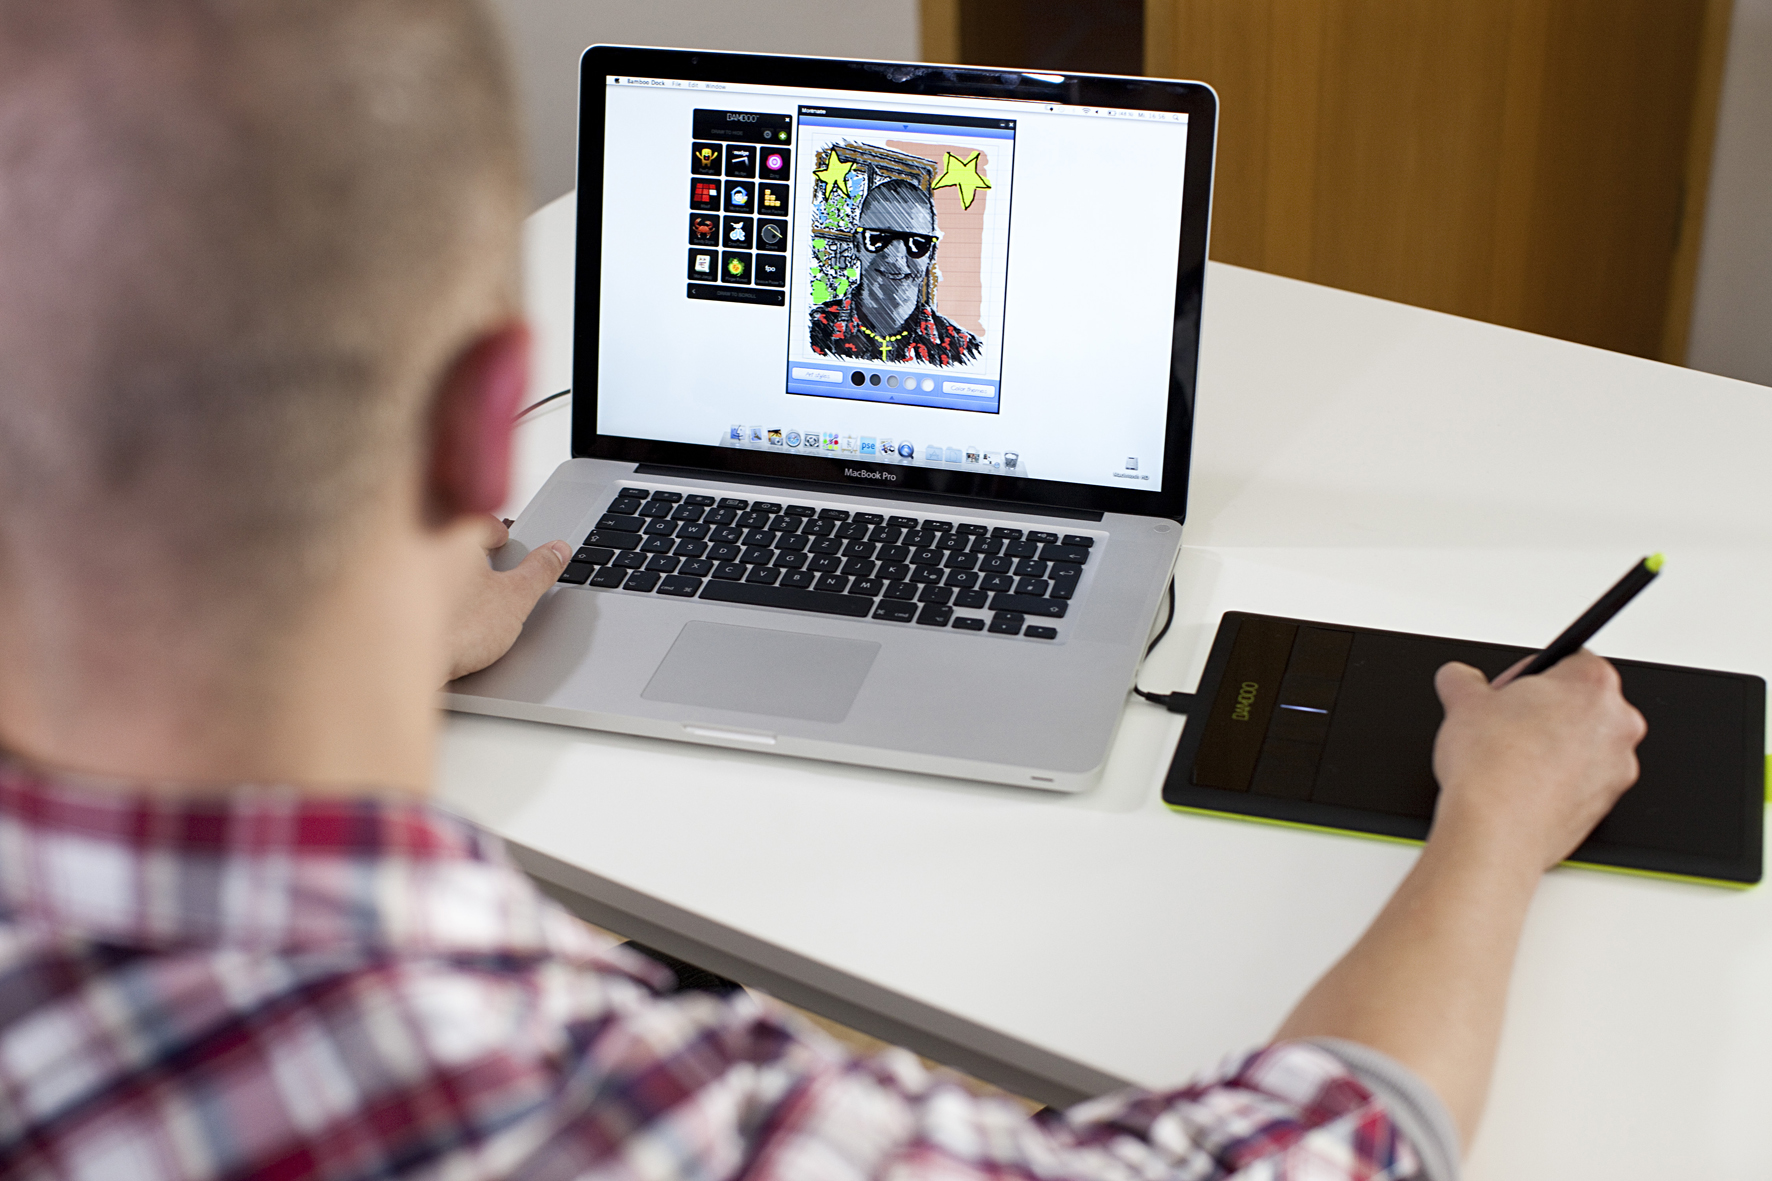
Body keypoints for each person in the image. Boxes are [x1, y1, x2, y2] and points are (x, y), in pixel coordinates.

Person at [0, 3, 1645, 1178]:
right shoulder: (603, 1106)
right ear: (482, 429)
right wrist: (1494, 824)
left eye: (922, 245)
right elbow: (1313, 1155)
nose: (898, 265)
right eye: (876, 244)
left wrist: (378, 633)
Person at [809, 177, 983, 365]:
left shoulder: (965, 351)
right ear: (857, 244)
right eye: (878, 238)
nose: (895, 258)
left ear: (931, 254)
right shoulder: (810, 330)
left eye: (917, 243)